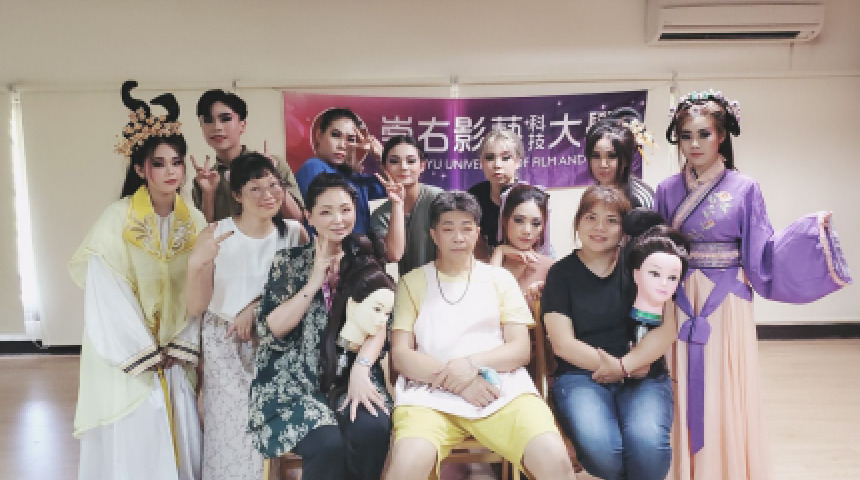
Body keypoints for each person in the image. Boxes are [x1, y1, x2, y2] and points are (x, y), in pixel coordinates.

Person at [657, 89, 852, 480]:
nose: (694, 144)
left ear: (722, 136)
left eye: (704, 134)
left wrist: (809, 235)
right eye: (686, 135)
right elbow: (657, 249)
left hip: (726, 299)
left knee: (723, 382)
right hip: (679, 297)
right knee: (680, 380)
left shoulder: (745, 188)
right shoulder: (666, 189)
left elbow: (762, 251)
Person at [385, 191, 576, 480]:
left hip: (500, 389)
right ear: (434, 235)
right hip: (429, 394)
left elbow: (520, 349)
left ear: (477, 233)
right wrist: (461, 383)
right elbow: (401, 356)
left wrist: (471, 365)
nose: (458, 237)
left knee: (554, 458)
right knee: (405, 467)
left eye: (466, 228)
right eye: (448, 229)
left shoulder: (500, 279)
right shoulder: (412, 282)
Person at [68, 81, 206, 480]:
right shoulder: (117, 219)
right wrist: (144, 352)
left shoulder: (194, 221)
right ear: (140, 169)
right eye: (159, 163)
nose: (170, 171)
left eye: (176, 162)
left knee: (178, 434)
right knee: (139, 436)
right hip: (129, 359)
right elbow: (107, 292)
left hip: (175, 355)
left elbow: (202, 286)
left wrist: (181, 344)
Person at [248, 173, 391, 480]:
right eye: (326, 212)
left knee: (372, 429)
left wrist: (361, 370)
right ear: (309, 217)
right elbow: (273, 328)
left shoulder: (367, 260)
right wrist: (314, 280)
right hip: (292, 384)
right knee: (328, 444)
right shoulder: (288, 262)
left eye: (345, 209)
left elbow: (380, 324)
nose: (338, 220)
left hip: (351, 374)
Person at [185, 153, 307, 480]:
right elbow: (196, 306)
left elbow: (303, 293)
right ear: (237, 194)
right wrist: (198, 264)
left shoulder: (293, 233)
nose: (268, 195)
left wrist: (256, 306)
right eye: (255, 188)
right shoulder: (216, 234)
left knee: (267, 431)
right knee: (229, 430)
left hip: (275, 343)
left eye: (274, 185)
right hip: (224, 341)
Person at [543, 186, 676, 480]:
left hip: (643, 372)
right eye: (591, 217)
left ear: (624, 228)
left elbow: (667, 329)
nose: (599, 227)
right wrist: (615, 368)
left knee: (648, 448)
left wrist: (625, 367)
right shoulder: (560, 274)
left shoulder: (644, 266)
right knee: (602, 452)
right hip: (581, 375)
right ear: (578, 221)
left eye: (611, 220)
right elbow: (563, 344)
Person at [191, 89, 303, 223]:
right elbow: (204, 230)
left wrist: (273, 176)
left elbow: (297, 219)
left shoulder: (274, 164)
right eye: (208, 120)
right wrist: (208, 194)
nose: (217, 127)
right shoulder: (204, 180)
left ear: (242, 125)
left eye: (225, 119)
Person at [294, 107, 386, 234]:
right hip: (327, 245)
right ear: (319, 135)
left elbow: (390, 186)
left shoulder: (354, 178)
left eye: (350, 139)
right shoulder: (313, 167)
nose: (342, 145)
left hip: (356, 246)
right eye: (336, 135)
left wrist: (380, 157)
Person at [370, 135, 444, 276]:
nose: (403, 167)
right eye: (394, 161)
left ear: (422, 166)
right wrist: (397, 204)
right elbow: (394, 255)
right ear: (384, 168)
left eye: (411, 161)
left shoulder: (439, 199)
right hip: (407, 286)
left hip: (443, 282)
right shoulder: (380, 215)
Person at [490, 183, 554, 303]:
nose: (527, 231)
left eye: (536, 223)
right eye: (519, 220)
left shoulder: (550, 268)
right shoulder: (487, 264)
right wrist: (499, 251)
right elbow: (489, 301)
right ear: (505, 220)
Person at [584, 107, 655, 209]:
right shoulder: (592, 196)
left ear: (626, 159)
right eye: (596, 156)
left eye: (612, 156)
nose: (603, 164)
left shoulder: (640, 199)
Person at [468, 129, 523, 251]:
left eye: (505, 158)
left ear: (518, 162)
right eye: (489, 158)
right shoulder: (474, 196)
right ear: (481, 162)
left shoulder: (530, 197)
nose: (497, 165)